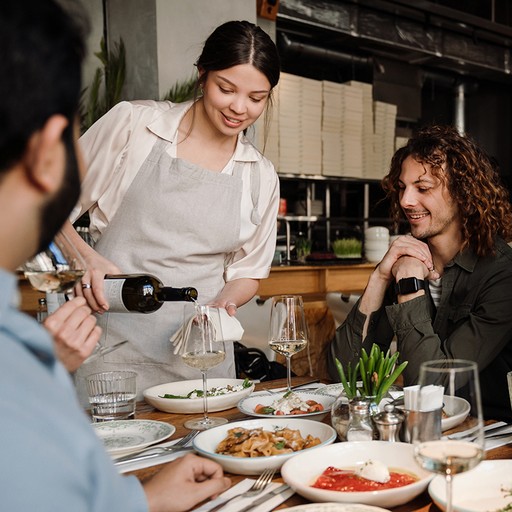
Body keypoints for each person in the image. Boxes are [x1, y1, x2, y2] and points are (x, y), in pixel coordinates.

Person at [0, 2, 230, 510]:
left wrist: (142, 499)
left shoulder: (19, 352)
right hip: (117, 361)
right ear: (47, 153)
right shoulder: (15, 365)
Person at [60, 19, 281, 399]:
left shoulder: (259, 175)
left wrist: (223, 303)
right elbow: (46, 204)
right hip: (112, 357)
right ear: (202, 74)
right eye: (226, 89)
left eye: (257, 98)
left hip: (204, 362)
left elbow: (248, 271)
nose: (239, 108)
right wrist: (84, 257)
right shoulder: (135, 126)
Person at [328, 125, 512, 421]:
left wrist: (411, 286)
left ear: (463, 193)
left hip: (486, 434)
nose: (405, 201)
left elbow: (431, 389)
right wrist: (380, 277)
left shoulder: (502, 274)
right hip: (416, 432)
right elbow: (344, 376)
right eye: (402, 187)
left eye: (422, 188)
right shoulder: (405, 260)